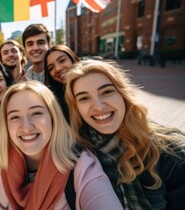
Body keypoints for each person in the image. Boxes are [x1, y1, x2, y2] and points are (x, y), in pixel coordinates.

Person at [65, 59, 185, 209]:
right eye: (84, 98)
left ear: (123, 94)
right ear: (76, 108)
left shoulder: (169, 151)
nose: (98, 106)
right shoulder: (75, 157)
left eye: (107, 92)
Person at [0, 80, 123, 209]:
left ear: (53, 118)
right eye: (15, 117)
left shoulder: (81, 165)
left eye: (36, 113)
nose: (26, 127)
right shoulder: (3, 163)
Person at [44, 44, 79, 122]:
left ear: (72, 58)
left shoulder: (94, 82)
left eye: (62, 60)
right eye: (51, 68)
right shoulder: (53, 102)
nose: (57, 69)